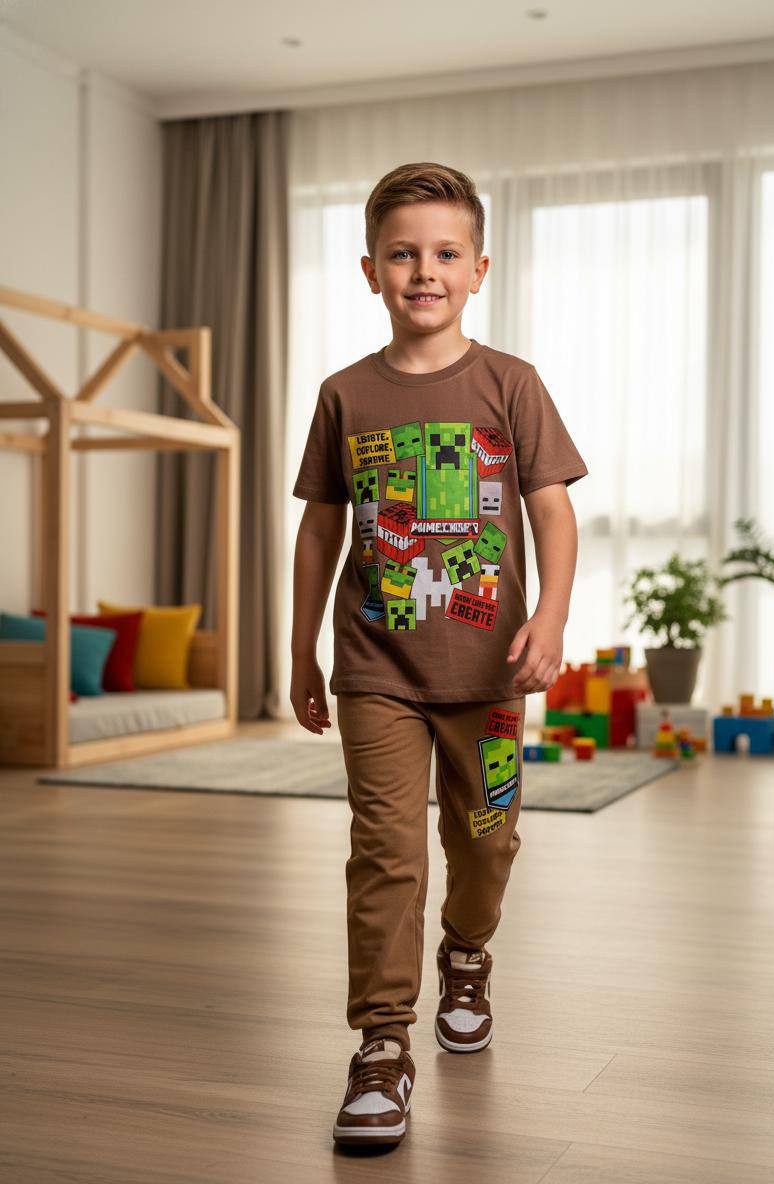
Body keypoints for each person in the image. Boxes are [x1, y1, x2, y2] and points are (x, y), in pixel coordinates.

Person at [290, 161, 588, 1149]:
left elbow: (553, 511)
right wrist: (299, 648)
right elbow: (318, 530)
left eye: (446, 253)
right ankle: (382, 1042)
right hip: (375, 663)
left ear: (478, 269)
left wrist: (551, 619)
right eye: (403, 254)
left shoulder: (511, 384)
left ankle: (467, 952)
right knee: (386, 850)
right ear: (369, 270)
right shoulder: (344, 394)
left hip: (491, 669)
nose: (425, 271)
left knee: (486, 839)